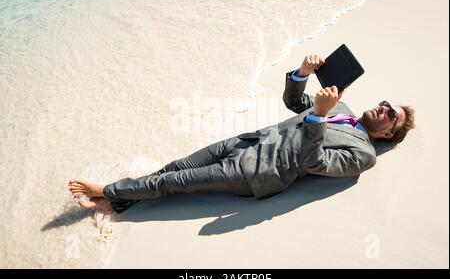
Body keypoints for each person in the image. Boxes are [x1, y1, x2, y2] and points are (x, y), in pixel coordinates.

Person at [68, 54, 416, 214]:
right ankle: (118, 202)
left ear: (388, 134)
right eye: (385, 103)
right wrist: (302, 72)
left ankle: (108, 189)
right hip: (246, 140)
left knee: (176, 182)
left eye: (391, 115)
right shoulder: (342, 108)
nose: (383, 109)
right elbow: (293, 101)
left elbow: (316, 161)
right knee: (174, 167)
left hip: (257, 172)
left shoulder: (364, 156)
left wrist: (319, 117)